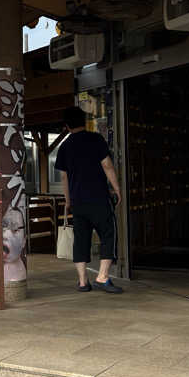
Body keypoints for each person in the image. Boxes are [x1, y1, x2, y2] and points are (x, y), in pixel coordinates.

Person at [55, 105, 122, 293]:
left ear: (67, 125)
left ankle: (83, 282)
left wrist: (68, 201)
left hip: (78, 202)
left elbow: (64, 177)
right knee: (108, 235)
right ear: (84, 122)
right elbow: (107, 165)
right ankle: (102, 277)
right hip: (99, 199)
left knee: (81, 240)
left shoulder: (65, 146)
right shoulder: (96, 139)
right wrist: (117, 189)